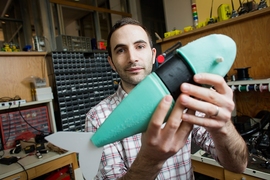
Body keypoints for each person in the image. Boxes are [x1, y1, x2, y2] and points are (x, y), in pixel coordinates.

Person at [85, 17, 248, 179]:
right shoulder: (97, 118)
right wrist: (151, 159)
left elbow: (238, 165)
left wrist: (223, 127)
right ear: (111, 62)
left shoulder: (188, 98)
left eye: (140, 46)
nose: (132, 58)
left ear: (153, 54)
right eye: (121, 50)